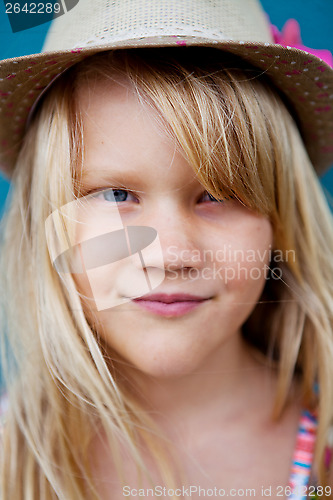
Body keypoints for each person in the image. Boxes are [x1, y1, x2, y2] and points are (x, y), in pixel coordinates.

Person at [0, 1, 333, 499]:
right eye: (117, 195)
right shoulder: (12, 458)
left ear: (282, 221)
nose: (171, 254)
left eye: (219, 194)